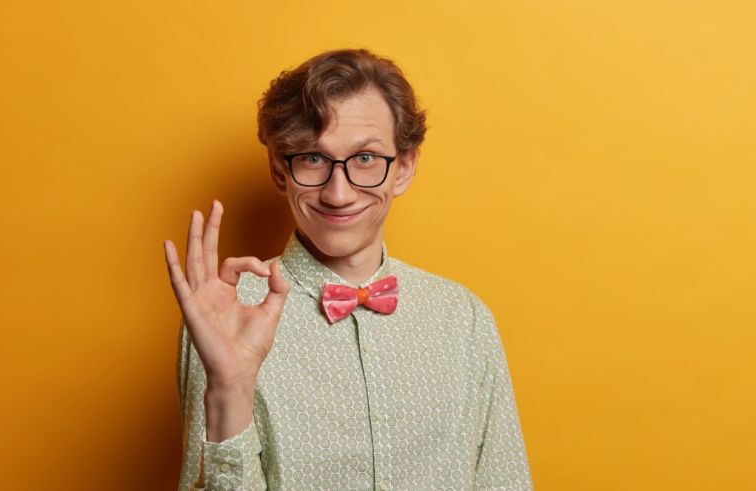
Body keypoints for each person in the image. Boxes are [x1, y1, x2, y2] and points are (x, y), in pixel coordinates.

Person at [163, 48, 532, 490]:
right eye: (313, 159)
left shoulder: (463, 319)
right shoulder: (226, 314)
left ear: (405, 168)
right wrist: (229, 388)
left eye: (364, 159)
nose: (339, 194)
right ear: (280, 170)